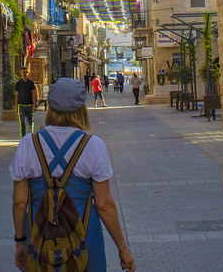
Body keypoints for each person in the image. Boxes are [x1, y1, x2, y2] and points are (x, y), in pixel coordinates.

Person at [10, 78, 135, 272]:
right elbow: (103, 205)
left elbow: (19, 201)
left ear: (50, 107)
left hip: (40, 235)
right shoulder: (92, 145)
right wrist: (123, 249)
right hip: (84, 235)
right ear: (81, 108)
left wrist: (21, 241)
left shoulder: (29, 144)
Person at [15, 67, 38, 138]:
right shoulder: (18, 83)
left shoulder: (31, 83)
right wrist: (16, 107)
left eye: (25, 72)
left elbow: (33, 94)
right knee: (22, 122)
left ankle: (30, 135)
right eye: (22, 72)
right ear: (20, 73)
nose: (23, 74)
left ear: (27, 73)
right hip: (21, 105)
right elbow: (16, 95)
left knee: (30, 122)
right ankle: (23, 137)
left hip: (29, 105)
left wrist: (34, 105)